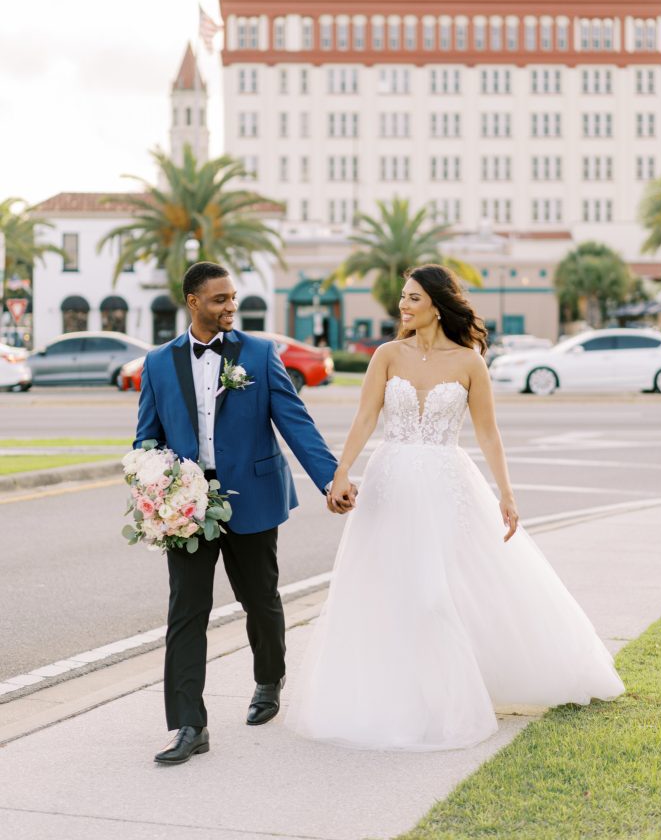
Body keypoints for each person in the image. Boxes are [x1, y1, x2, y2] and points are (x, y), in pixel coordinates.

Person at [286, 264, 624, 751]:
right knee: (385, 588)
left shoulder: (469, 362)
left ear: (438, 305)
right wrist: (341, 472)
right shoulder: (386, 355)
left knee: (435, 594)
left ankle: (447, 699)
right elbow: (365, 418)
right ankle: (391, 696)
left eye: (414, 298)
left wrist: (506, 493)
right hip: (390, 483)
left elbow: (488, 433)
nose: (404, 306)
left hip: (447, 484)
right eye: (403, 297)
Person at [134, 262, 355, 765]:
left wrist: (330, 479)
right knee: (186, 613)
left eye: (232, 298)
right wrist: (156, 489)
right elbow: (146, 439)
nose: (230, 307)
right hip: (185, 507)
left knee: (260, 599)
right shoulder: (158, 363)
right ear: (193, 302)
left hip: (251, 497)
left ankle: (268, 677)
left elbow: (295, 422)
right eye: (219, 300)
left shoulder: (258, 353)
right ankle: (189, 724)